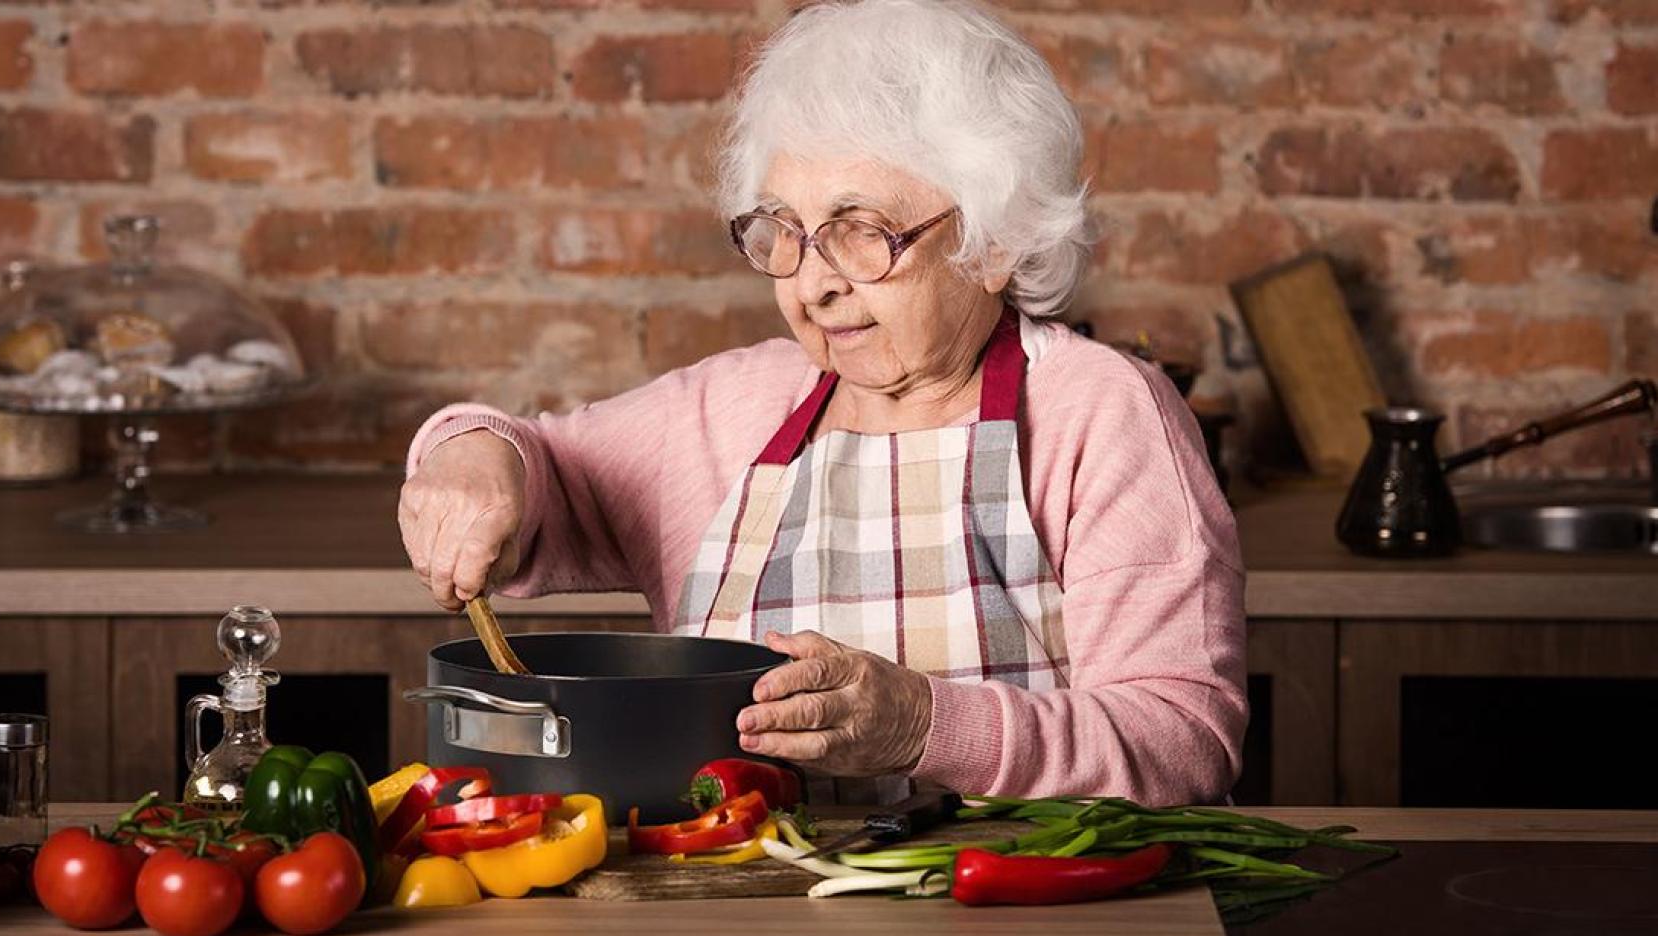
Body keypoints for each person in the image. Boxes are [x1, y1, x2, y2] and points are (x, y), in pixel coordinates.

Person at [399, 0, 1246, 805]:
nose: (813, 286)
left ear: (994, 241)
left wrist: (925, 724)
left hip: (1013, 914)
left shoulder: (1097, 413)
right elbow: (526, 457)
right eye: (785, 232)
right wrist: (471, 454)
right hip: (737, 902)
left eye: (863, 231)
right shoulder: (734, 408)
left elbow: (1183, 740)